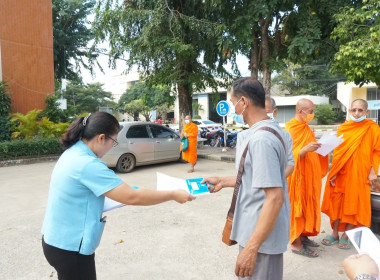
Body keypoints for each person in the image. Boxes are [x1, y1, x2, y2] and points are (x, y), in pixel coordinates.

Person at [41, 112, 195, 280]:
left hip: (56, 240)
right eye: (113, 141)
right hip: (70, 248)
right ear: (101, 138)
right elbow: (132, 196)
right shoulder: (87, 164)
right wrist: (173, 194)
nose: (112, 146)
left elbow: (82, 195)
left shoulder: (74, 153)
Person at [203, 77, 290, 280]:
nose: (233, 109)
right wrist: (223, 181)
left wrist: (251, 248)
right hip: (258, 231)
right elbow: (259, 177)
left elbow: (275, 198)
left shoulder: (261, 139)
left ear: (244, 102)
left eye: (233, 103)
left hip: (261, 238)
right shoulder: (268, 131)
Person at [321, 99, 380, 249]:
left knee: (354, 203)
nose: (356, 113)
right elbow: (338, 152)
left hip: (360, 173)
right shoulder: (343, 128)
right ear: (349, 111)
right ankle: (334, 233)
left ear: (367, 112)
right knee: (337, 203)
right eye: (354, 110)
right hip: (342, 172)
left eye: (360, 110)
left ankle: (346, 234)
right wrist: (333, 171)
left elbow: (377, 151)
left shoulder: (372, 128)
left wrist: (373, 170)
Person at [285, 98, 329, 258]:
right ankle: (296, 243)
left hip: (309, 177)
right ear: (300, 111)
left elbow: (309, 148)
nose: (312, 114)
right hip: (297, 179)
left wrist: (320, 146)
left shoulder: (305, 128)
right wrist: (303, 150)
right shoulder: (290, 129)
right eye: (310, 111)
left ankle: (303, 236)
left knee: (308, 206)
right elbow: (287, 156)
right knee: (298, 208)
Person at [265, 96, 294, 177]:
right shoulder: (246, 135)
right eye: (259, 112)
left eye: (266, 112)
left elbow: (290, 163)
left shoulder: (285, 135)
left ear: (275, 112)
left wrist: (276, 181)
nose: (263, 116)